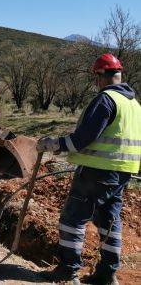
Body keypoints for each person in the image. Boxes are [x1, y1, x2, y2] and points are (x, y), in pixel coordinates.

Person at [37, 53, 141, 285]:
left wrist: (54, 144)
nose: (96, 82)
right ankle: (107, 274)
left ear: (102, 75)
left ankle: (68, 270)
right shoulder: (133, 104)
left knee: (72, 218)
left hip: (97, 170)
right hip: (123, 172)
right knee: (109, 220)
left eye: (96, 77)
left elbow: (83, 138)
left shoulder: (106, 100)